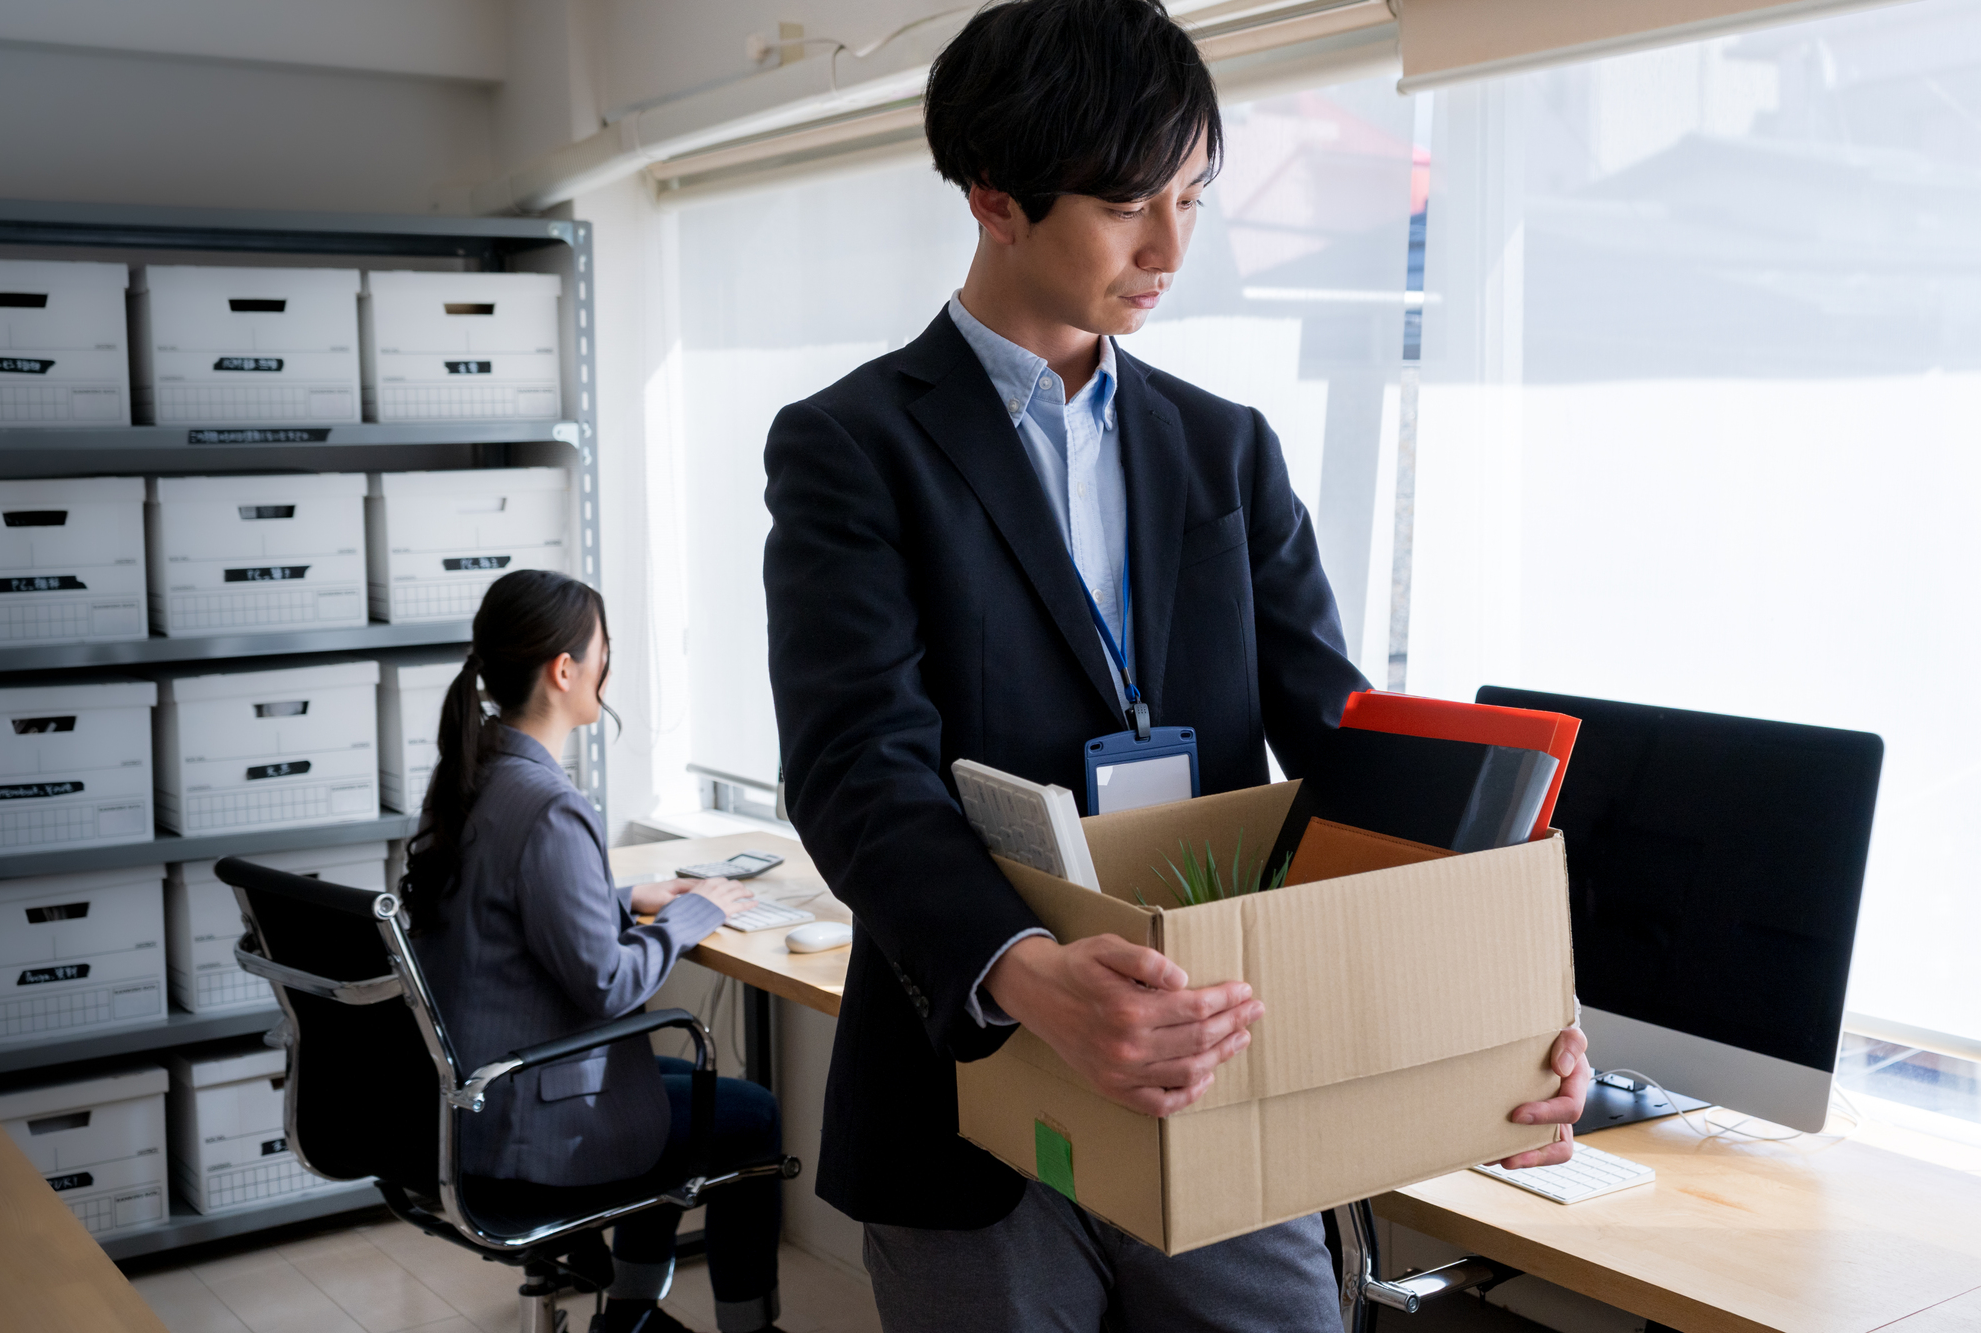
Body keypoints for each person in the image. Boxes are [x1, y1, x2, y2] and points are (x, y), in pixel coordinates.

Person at [761, 2, 1591, 1329]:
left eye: (1195, 198)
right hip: (973, 1092)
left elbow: (1347, 752)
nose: (1169, 247)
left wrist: (1498, 1009)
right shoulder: (852, 447)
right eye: (1128, 203)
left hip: (1225, 1070)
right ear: (995, 201)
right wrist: (1028, 971)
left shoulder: (1227, 452)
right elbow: (856, 764)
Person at [403, 569, 786, 1333]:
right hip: (530, 1126)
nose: (610, 668)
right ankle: (743, 1327)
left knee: (654, 1072)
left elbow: (501, 917)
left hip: (472, 1103)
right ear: (565, 669)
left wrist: (624, 899)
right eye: (604, 650)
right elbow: (610, 984)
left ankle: (632, 1309)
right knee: (752, 1114)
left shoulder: (475, 776)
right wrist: (693, 914)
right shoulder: (549, 806)